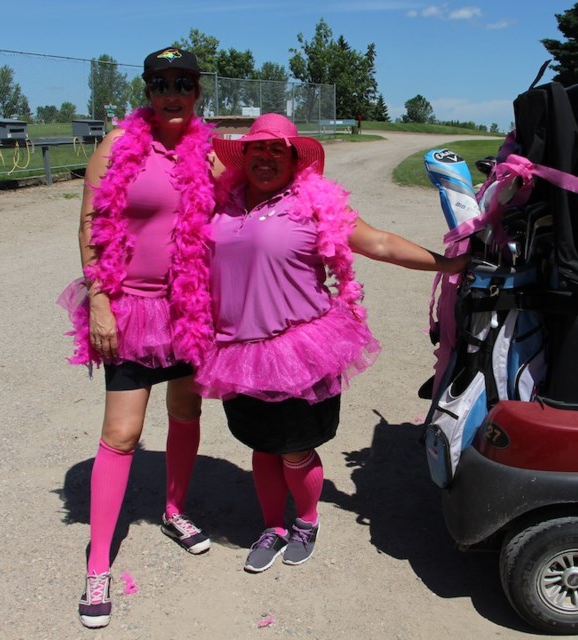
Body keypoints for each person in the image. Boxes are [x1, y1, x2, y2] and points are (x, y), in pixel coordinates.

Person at [199, 113, 469, 573]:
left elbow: (380, 244)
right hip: (235, 350)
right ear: (242, 157)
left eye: (276, 151)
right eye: (256, 150)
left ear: (293, 159)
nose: (264, 158)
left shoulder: (314, 204)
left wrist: (450, 265)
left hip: (297, 347)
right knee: (261, 446)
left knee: (294, 449)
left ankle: (305, 520)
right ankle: (273, 526)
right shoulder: (221, 203)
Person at [57, 46, 216, 629]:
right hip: (131, 308)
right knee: (121, 434)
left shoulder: (209, 153)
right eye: (159, 85)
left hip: (190, 309)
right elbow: (90, 225)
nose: (171, 94)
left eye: (182, 84)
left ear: (198, 91)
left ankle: (175, 510)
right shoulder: (118, 147)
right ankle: (98, 563)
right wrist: (99, 300)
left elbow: (252, 197)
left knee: (185, 407)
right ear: (147, 92)